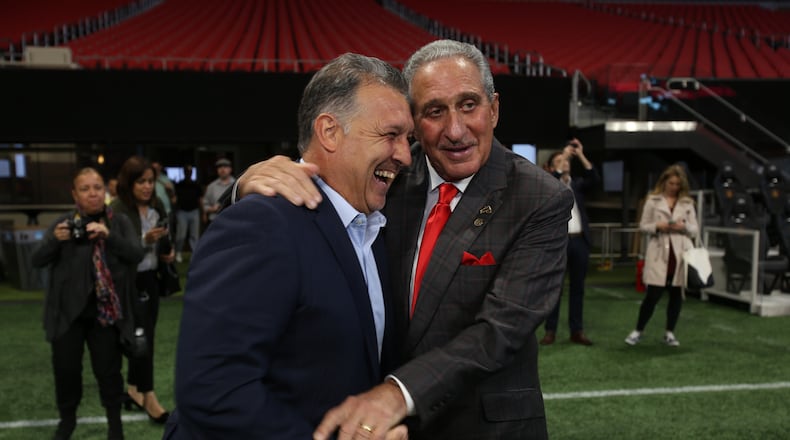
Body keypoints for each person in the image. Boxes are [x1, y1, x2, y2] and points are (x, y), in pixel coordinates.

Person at [231, 40, 573, 440]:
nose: (455, 130)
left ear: (494, 108)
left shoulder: (538, 197)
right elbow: (319, 180)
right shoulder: (388, 173)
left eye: (469, 105)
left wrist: (397, 393)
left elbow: (500, 329)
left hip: (482, 428)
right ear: (412, 120)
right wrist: (247, 186)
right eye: (434, 111)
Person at [163, 53, 413, 439]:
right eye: (390, 135)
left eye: (408, 139)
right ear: (329, 132)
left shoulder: (374, 226)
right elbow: (214, 392)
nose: (405, 155)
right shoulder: (261, 223)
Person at [32, 167, 143, 440]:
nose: (92, 193)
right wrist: (54, 241)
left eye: (97, 187)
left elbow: (136, 254)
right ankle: (67, 422)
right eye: (85, 188)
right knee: (66, 371)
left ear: (105, 191)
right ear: (75, 194)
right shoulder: (63, 224)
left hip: (105, 315)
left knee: (109, 372)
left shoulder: (119, 222)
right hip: (67, 315)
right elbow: (37, 260)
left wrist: (108, 235)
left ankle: (115, 427)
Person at [111, 156, 173, 424]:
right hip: (126, 281)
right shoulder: (117, 209)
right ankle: (148, 395)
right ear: (129, 183)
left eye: (150, 181)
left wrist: (164, 252)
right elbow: (115, 248)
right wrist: (143, 240)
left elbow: (162, 238)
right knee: (139, 340)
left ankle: (135, 389)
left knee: (146, 337)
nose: (147, 187)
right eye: (141, 182)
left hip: (150, 278)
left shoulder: (157, 206)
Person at [625, 164, 698, 347]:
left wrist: (684, 227)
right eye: (671, 183)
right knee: (653, 295)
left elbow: (695, 229)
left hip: (679, 253)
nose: (674, 187)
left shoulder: (687, 203)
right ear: (664, 182)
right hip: (659, 250)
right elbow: (643, 225)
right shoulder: (653, 200)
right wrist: (659, 226)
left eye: (677, 184)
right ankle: (638, 330)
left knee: (676, 295)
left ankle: (669, 332)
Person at [539, 138, 599, 346]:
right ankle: (550, 330)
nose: (564, 164)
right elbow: (553, 177)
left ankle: (577, 330)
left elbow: (594, 178)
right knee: (555, 287)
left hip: (579, 241)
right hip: (559, 242)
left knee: (578, 287)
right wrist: (563, 155)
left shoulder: (578, 186)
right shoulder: (550, 185)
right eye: (560, 161)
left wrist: (580, 154)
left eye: (566, 162)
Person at [173, 165, 202, 263]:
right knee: (180, 235)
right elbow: (175, 199)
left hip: (194, 211)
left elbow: (200, 199)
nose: (188, 173)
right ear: (184, 172)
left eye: (190, 172)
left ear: (191, 173)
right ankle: (178, 253)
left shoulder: (196, 184)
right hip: (182, 212)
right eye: (187, 171)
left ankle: (195, 255)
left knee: (194, 236)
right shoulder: (179, 184)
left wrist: (203, 213)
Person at [202, 158, 234, 225]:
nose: (222, 169)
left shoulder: (236, 184)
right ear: (217, 170)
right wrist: (212, 209)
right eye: (220, 167)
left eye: (225, 167)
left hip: (232, 220)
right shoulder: (211, 187)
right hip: (215, 221)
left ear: (230, 169)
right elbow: (205, 204)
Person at [151, 161, 176, 226]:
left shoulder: (166, 179)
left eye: (156, 168)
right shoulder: (149, 179)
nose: (155, 169)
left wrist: (170, 190)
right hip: (152, 210)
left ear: (160, 167)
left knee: (166, 230)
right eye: (153, 168)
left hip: (166, 209)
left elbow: (173, 198)